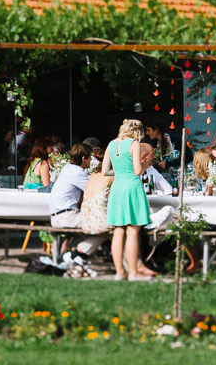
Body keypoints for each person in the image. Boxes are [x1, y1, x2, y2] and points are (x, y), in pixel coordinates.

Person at [99, 120, 156, 280]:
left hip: (117, 187)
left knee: (118, 230)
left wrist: (120, 171)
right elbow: (138, 170)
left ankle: (119, 272)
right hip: (132, 186)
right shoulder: (134, 144)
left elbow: (105, 171)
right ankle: (133, 272)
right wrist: (144, 168)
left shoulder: (111, 144)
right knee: (132, 231)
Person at [47, 143, 94, 258]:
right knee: (105, 226)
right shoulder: (77, 173)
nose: (91, 159)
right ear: (83, 158)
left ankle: (68, 257)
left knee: (90, 231)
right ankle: (76, 255)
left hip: (57, 217)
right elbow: (94, 191)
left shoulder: (67, 168)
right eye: (90, 157)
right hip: (67, 217)